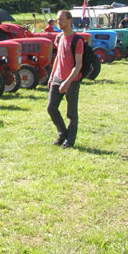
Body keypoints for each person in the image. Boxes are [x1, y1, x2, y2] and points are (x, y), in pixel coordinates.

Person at [46, 10, 84, 149]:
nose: (58, 22)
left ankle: (70, 141)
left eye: (61, 19)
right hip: (57, 78)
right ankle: (63, 134)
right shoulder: (60, 37)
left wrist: (67, 82)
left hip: (72, 81)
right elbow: (58, 58)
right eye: (57, 20)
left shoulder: (77, 40)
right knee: (51, 108)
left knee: (71, 114)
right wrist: (51, 76)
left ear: (70, 20)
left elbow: (78, 64)